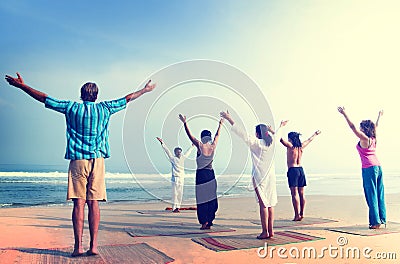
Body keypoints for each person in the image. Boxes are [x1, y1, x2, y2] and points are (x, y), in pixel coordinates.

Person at [5, 73, 156, 257]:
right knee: (94, 203)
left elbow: (44, 98)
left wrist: (22, 86)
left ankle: (77, 247)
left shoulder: (71, 108)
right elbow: (126, 99)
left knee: (79, 204)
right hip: (98, 160)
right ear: (96, 95)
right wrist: (145, 90)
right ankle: (93, 246)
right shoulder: (105, 108)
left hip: (78, 160)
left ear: (81, 94)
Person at [221, 110, 286, 239]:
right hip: (271, 177)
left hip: (259, 177)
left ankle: (264, 232)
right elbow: (278, 134)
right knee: (270, 204)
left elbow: (241, 133)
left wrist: (229, 118)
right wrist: (281, 126)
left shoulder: (255, 143)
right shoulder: (271, 143)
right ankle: (271, 231)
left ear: (257, 133)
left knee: (263, 205)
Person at [338, 107, 386, 229]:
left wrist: (344, 114)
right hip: (378, 167)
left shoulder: (364, 138)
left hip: (369, 168)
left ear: (364, 129)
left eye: (361, 127)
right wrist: (379, 116)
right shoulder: (373, 138)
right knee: (379, 194)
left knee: (371, 194)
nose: (359, 129)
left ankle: (375, 222)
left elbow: (352, 127)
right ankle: (381, 219)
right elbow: (376, 126)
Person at [178, 114, 223, 230]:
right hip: (211, 175)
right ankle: (210, 220)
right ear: (209, 137)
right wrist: (220, 124)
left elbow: (190, 135)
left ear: (202, 137)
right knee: (211, 198)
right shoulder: (213, 146)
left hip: (201, 175)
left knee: (202, 199)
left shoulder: (200, 146)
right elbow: (218, 135)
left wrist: (185, 123)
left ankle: (204, 222)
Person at [279, 126, 321, 221]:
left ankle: (297, 215)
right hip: (300, 170)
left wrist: (273, 130)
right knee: (301, 193)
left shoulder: (290, 146)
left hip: (293, 170)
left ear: (290, 138)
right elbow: (309, 140)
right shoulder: (301, 146)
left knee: (294, 194)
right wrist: (315, 133)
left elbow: (280, 139)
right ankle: (301, 213)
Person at [156, 137, 194, 212]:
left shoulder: (183, 158)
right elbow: (167, 151)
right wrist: (162, 143)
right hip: (175, 178)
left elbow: (188, 152)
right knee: (174, 194)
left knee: (180, 193)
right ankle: (174, 208)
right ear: (175, 153)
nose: (179, 153)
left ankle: (178, 207)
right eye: (177, 152)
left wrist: (192, 146)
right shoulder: (172, 158)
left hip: (181, 178)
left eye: (180, 152)